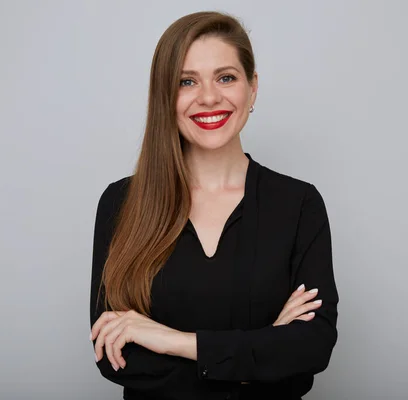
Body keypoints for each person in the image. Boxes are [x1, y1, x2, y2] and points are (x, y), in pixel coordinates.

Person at [89, 11, 339, 400]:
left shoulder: (299, 204)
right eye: (186, 81)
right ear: (164, 96)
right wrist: (261, 354)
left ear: (252, 88)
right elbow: (116, 356)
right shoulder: (121, 204)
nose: (208, 97)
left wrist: (173, 341)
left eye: (226, 77)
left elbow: (311, 347)